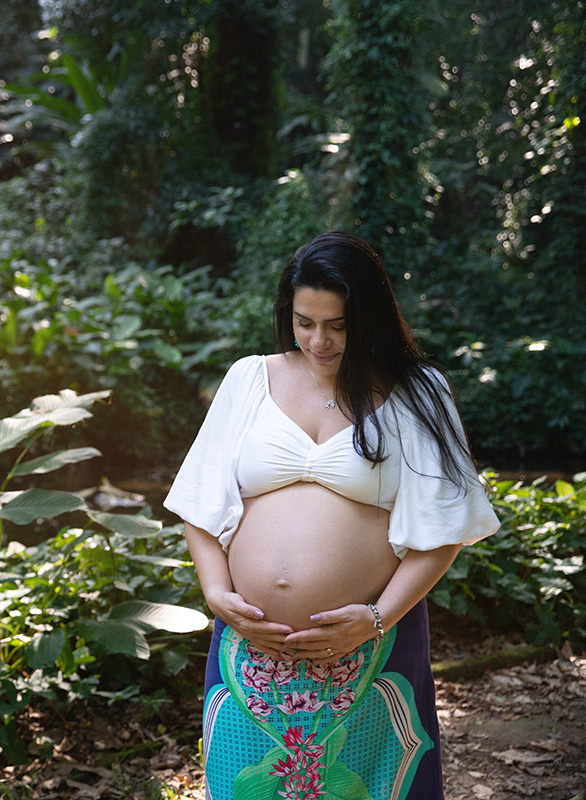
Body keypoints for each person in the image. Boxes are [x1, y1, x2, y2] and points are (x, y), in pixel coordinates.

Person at [164, 232, 499, 800]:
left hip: (370, 647)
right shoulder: (250, 378)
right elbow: (200, 503)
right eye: (304, 322)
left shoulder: (417, 392)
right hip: (250, 652)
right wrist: (218, 594)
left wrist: (374, 617)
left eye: (338, 326)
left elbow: (443, 534)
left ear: (369, 317)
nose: (318, 340)